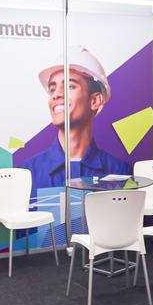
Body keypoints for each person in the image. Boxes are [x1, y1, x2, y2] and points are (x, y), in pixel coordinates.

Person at [20, 45, 130, 199]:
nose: (56, 95)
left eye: (69, 86)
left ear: (95, 100)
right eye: (52, 89)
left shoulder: (120, 172)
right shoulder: (25, 175)